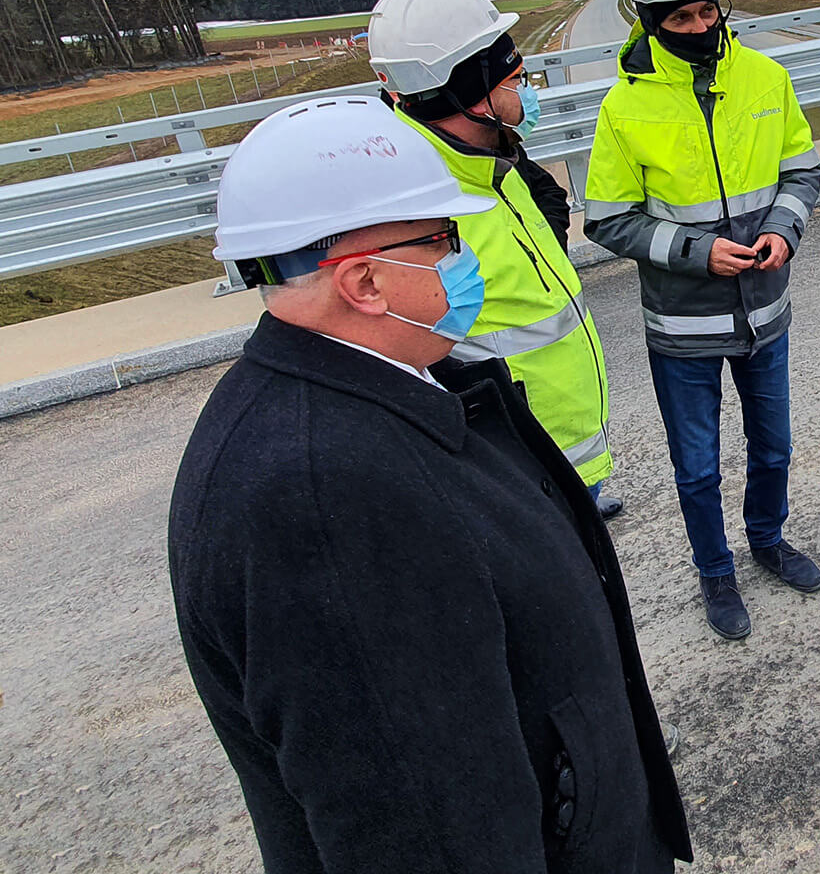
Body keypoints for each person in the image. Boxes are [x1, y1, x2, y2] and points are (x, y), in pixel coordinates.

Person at [169, 96, 691, 872]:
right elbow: (426, 830)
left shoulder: (396, 386)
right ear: (365, 283)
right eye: (444, 239)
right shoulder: (320, 500)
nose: (464, 257)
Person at [584, 0, 820, 641]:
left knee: (773, 446)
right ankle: (715, 573)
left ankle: (768, 541)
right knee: (696, 469)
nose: (698, 24)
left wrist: (784, 230)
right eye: (680, 16)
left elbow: (802, 170)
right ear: (650, 20)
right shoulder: (625, 108)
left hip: (765, 312)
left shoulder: (765, 77)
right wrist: (696, 253)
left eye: (706, 9)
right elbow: (608, 220)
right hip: (682, 327)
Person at [367, 0, 624, 519]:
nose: (526, 91)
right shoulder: (419, 204)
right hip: (514, 470)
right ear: (471, 92)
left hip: (558, 444)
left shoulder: (489, 162)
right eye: (516, 78)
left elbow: (545, 220)